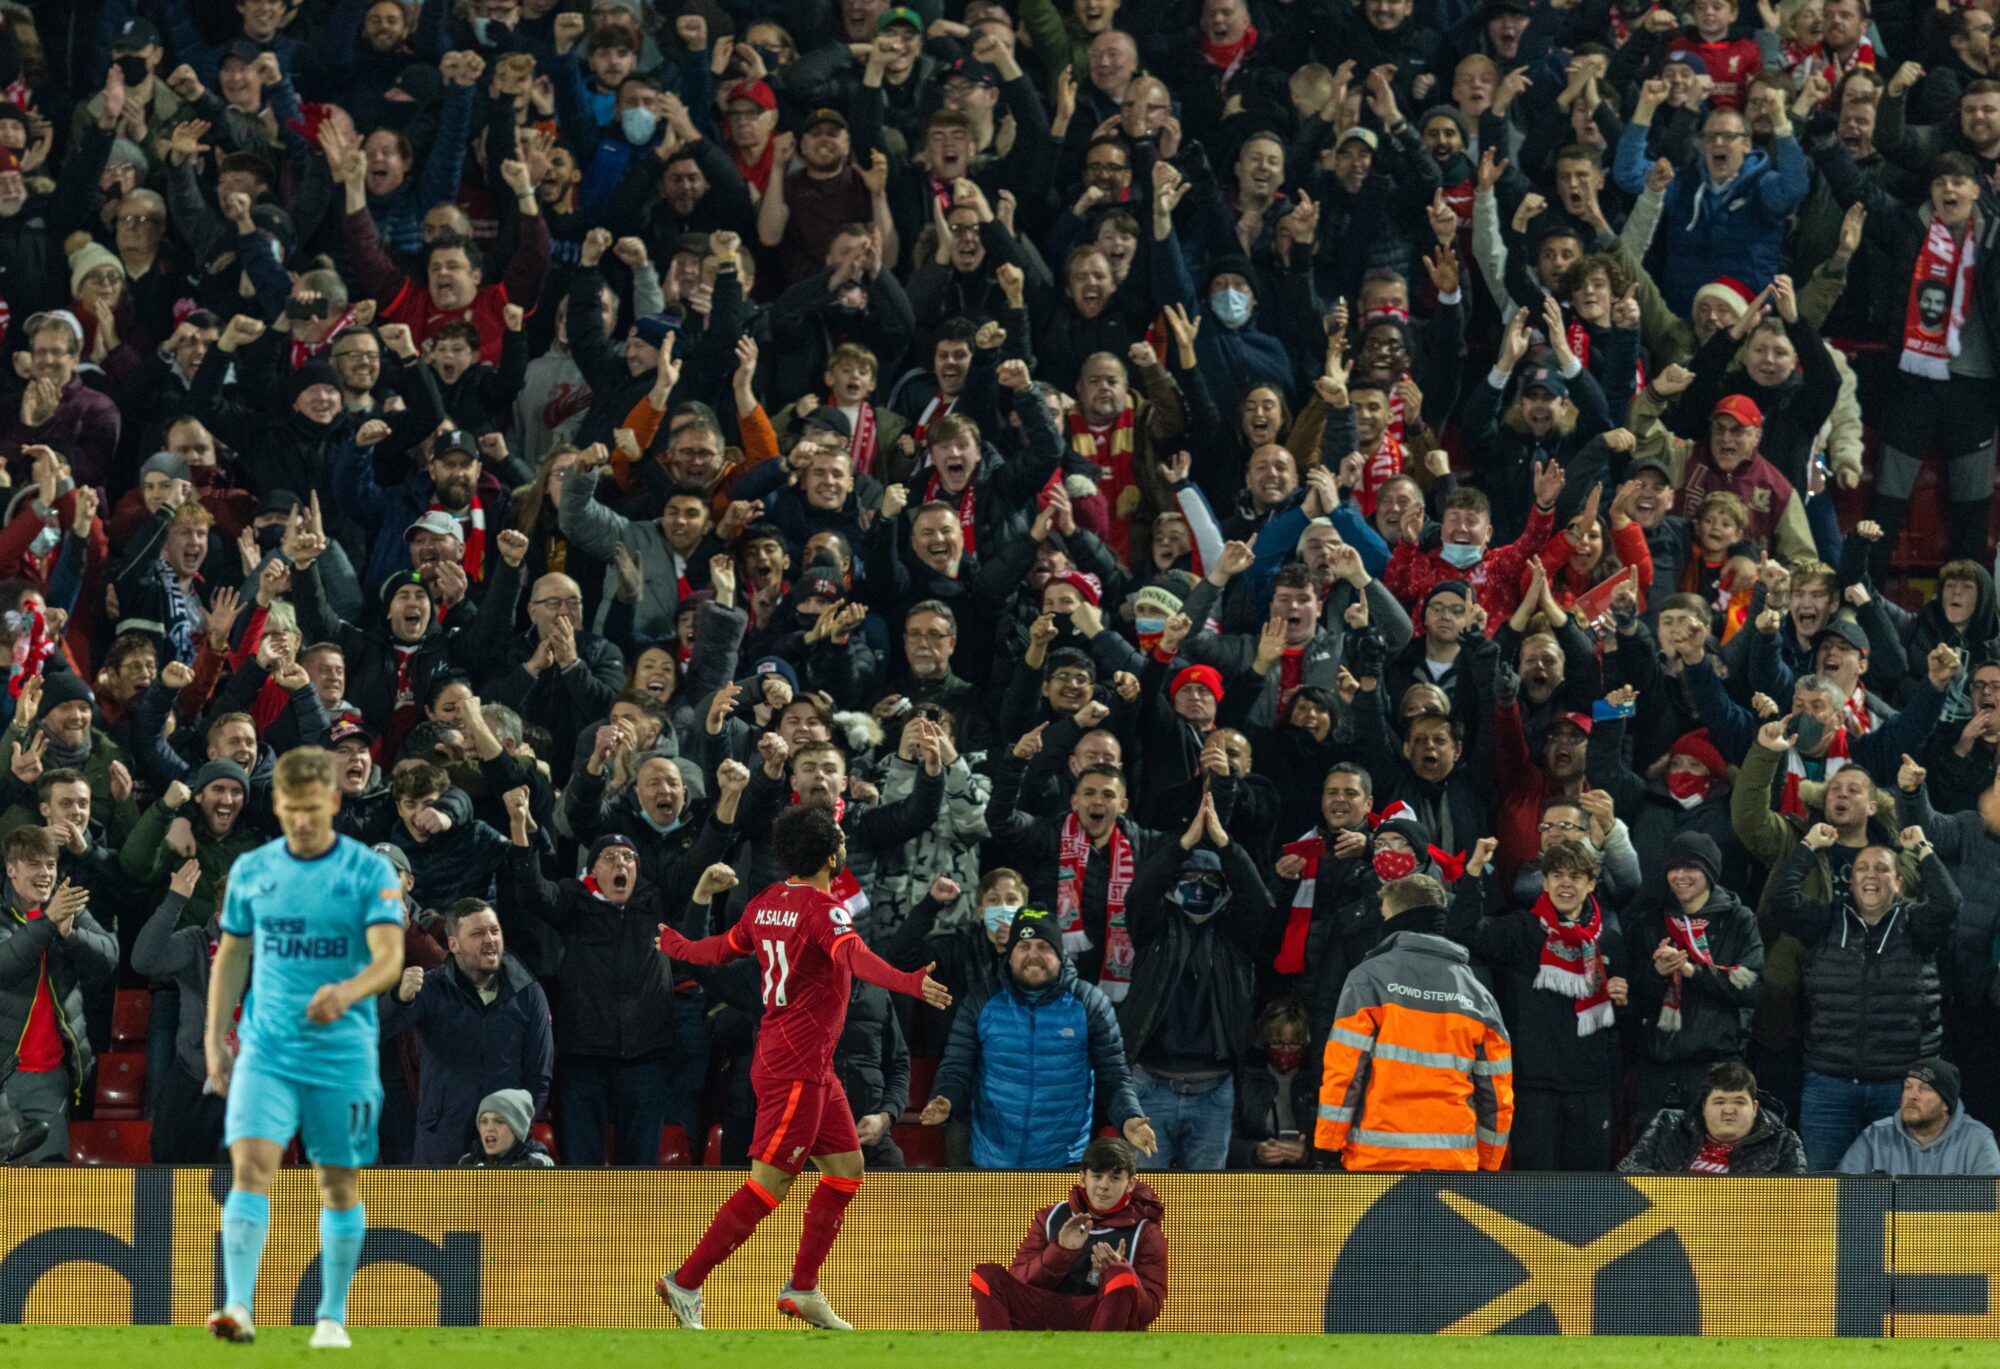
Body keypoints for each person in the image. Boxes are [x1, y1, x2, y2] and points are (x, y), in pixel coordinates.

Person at [653, 803, 951, 1331]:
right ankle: (686, 1280)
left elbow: (722, 950)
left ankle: (804, 1287)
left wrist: (678, 945)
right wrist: (910, 983)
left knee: (846, 1170)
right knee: (768, 1186)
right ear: (832, 854)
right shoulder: (825, 908)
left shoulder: (768, 902)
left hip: (801, 1061)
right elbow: (854, 957)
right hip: (796, 1066)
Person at [203, 748, 406, 1348]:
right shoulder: (252, 871)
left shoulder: (370, 873)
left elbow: (391, 959)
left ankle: (331, 1315)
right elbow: (234, 954)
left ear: (335, 803)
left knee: (337, 1182)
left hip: (341, 1053)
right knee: (250, 1167)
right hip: (268, 1049)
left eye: (314, 809)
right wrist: (217, 1036)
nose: (303, 821)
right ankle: (238, 1306)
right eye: (291, 809)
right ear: (278, 805)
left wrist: (347, 991)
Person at [1316, 873, 1514, 1172]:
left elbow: (1345, 1070)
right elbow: (1496, 1089)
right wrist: (1488, 1160)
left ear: (1396, 918)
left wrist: (1328, 1146)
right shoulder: (1477, 993)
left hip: (1376, 1159)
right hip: (1453, 1164)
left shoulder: (1369, 978)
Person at [967, 1136, 1166, 1332]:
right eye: (1097, 1176)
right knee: (987, 1275)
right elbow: (1020, 1280)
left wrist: (1115, 1272)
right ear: (1082, 1178)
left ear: (1130, 1184)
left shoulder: (1145, 1232)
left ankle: (1100, 1359)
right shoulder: (1051, 1217)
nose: (1104, 1186)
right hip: (1045, 1311)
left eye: (1114, 1178)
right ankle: (999, 1358)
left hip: (1097, 1314)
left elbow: (1149, 1310)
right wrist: (1060, 1252)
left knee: (1121, 1274)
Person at [1618, 1060, 1808, 1174]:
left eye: (1739, 1102)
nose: (1729, 1110)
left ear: (1755, 1108)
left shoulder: (1783, 1142)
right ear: (1703, 1107)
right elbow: (1625, 1175)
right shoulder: (1669, 1126)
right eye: (1719, 1102)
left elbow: (1798, 1201)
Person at [1838, 1058, 2000, 1175]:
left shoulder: (1978, 1141)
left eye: (1924, 1089)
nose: (1912, 1096)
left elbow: (1992, 1207)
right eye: (1908, 1087)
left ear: (1946, 1104)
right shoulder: (1875, 1137)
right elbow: (1845, 1197)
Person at [457, 1088, 556, 1169]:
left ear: (517, 1128)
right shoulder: (467, 1162)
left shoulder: (538, 1164)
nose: (489, 1128)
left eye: (499, 1121)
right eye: (484, 1121)